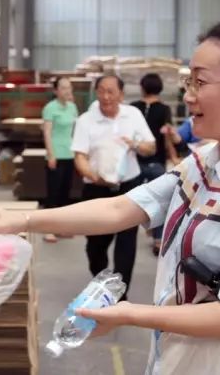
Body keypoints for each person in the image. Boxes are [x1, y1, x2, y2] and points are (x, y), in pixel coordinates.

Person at [0, 20, 220, 375]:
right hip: (178, 358)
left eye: (201, 82)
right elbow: (121, 208)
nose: (188, 95)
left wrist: (130, 314)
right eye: (188, 82)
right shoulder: (205, 163)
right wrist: (21, 220)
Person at [70, 74, 156, 301]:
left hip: (129, 187)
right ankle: (102, 285)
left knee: (126, 243)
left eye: (111, 91)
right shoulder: (86, 120)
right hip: (97, 189)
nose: (106, 96)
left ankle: (119, 295)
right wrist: (94, 176)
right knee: (95, 245)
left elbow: (150, 146)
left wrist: (135, 144)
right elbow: (80, 157)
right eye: (101, 91)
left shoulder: (133, 115)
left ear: (121, 94)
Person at [131, 73, 179, 255]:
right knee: (159, 200)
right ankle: (158, 240)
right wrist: (173, 156)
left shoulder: (134, 107)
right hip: (156, 160)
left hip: (134, 161)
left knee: (132, 199)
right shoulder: (164, 109)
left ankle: (127, 232)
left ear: (142, 87)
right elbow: (166, 136)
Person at [42, 77, 79, 243]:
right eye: (63, 88)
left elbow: (75, 130)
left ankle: (62, 228)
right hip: (55, 154)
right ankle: (48, 230)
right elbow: (47, 132)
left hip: (70, 154)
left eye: (69, 88)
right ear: (55, 91)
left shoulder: (72, 107)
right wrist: (51, 154)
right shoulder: (50, 108)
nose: (67, 91)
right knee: (53, 194)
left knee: (65, 194)